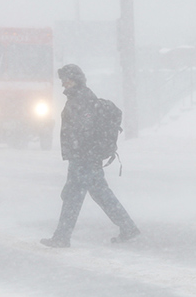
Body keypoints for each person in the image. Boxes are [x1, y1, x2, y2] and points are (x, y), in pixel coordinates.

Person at [41, 64, 140, 248]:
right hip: (84, 156)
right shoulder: (79, 97)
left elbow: (85, 128)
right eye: (62, 80)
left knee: (73, 197)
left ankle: (62, 237)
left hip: (83, 158)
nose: (63, 83)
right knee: (101, 194)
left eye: (67, 79)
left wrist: (81, 152)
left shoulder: (82, 99)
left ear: (77, 79)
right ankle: (128, 228)